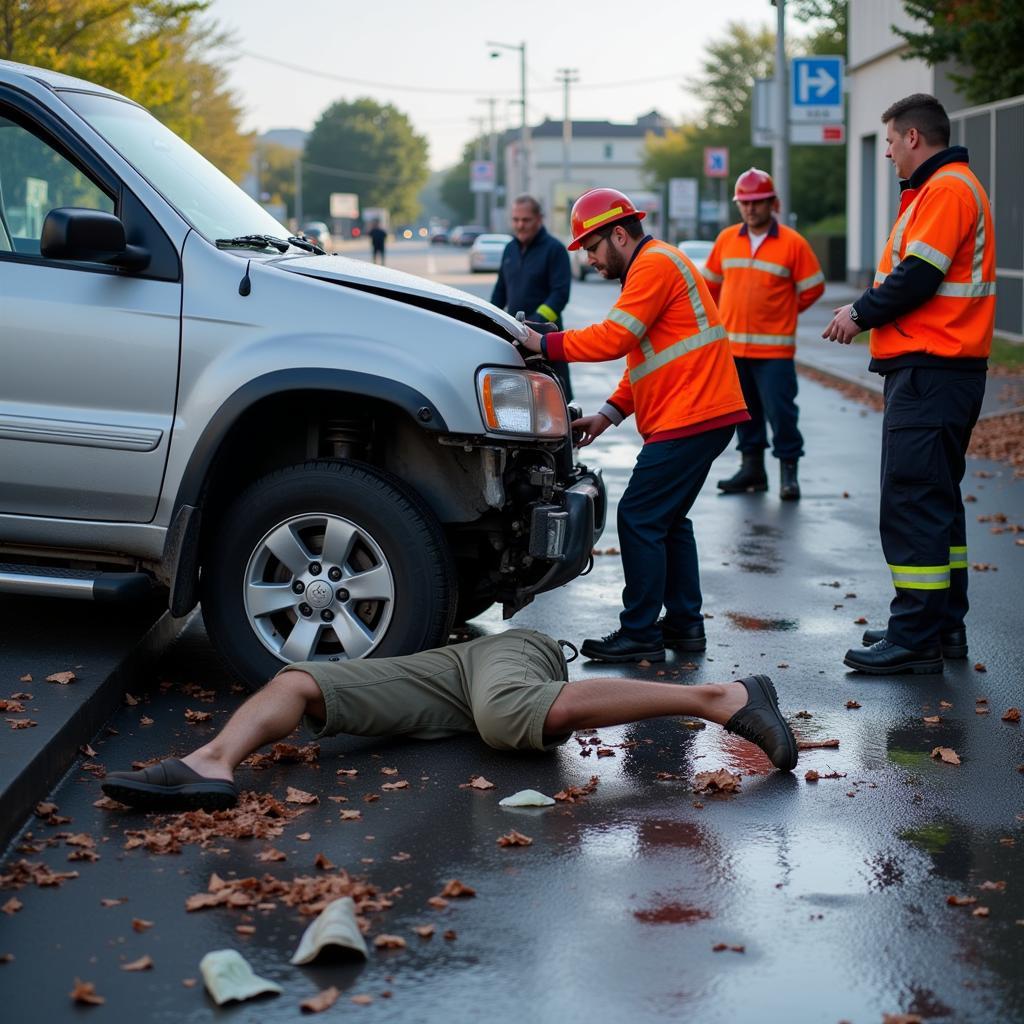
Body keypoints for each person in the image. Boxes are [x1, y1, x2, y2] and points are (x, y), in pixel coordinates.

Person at [101, 629, 798, 811]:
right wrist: (223, 759)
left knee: (503, 719)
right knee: (299, 680)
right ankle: (213, 762)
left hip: (507, 653)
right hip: (448, 678)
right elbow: (303, 687)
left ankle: (720, 698)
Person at [519, 188, 749, 664]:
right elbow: (643, 358)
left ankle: (640, 631)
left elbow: (615, 337)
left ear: (619, 234)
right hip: (700, 413)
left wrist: (544, 343)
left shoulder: (653, 266)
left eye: (592, 248)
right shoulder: (654, 265)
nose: (591, 260)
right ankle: (684, 625)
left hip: (692, 414)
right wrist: (608, 414)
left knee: (640, 517)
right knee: (667, 521)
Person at [822, 94, 994, 675]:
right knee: (937, 504)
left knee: (915, 500)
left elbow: (918, 276)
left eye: (892, 143)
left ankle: (915, 635)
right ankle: (942, 626)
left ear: (914, 138)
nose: (890, 153)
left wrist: (859, 313)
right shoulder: (945, 189)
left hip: (932, 368)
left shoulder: (945, 191)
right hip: (942, 369)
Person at [704, 169, 825, 501]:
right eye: (744, 202)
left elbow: (814, 288)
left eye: (757, 202)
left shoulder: (793, 243)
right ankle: (752, 470)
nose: (751, 209)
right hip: (734, 349)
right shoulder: (727, 239)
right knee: (745, 415)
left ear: (773, 203)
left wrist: (785, 312)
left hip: (774, 353)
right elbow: (710, 286)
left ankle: (789, 474)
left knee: (782, 414)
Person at [491, 195, 573, 400]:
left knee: (557, 399)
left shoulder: (555, 250)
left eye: (525, 220)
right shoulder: (510, 249)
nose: (520, 225)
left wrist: (536, 324)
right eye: (516, 220)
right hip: (515, 340)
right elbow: (500, 291)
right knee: (519, 401)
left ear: (539, 219)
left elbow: (560, 294)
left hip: (548, 342)